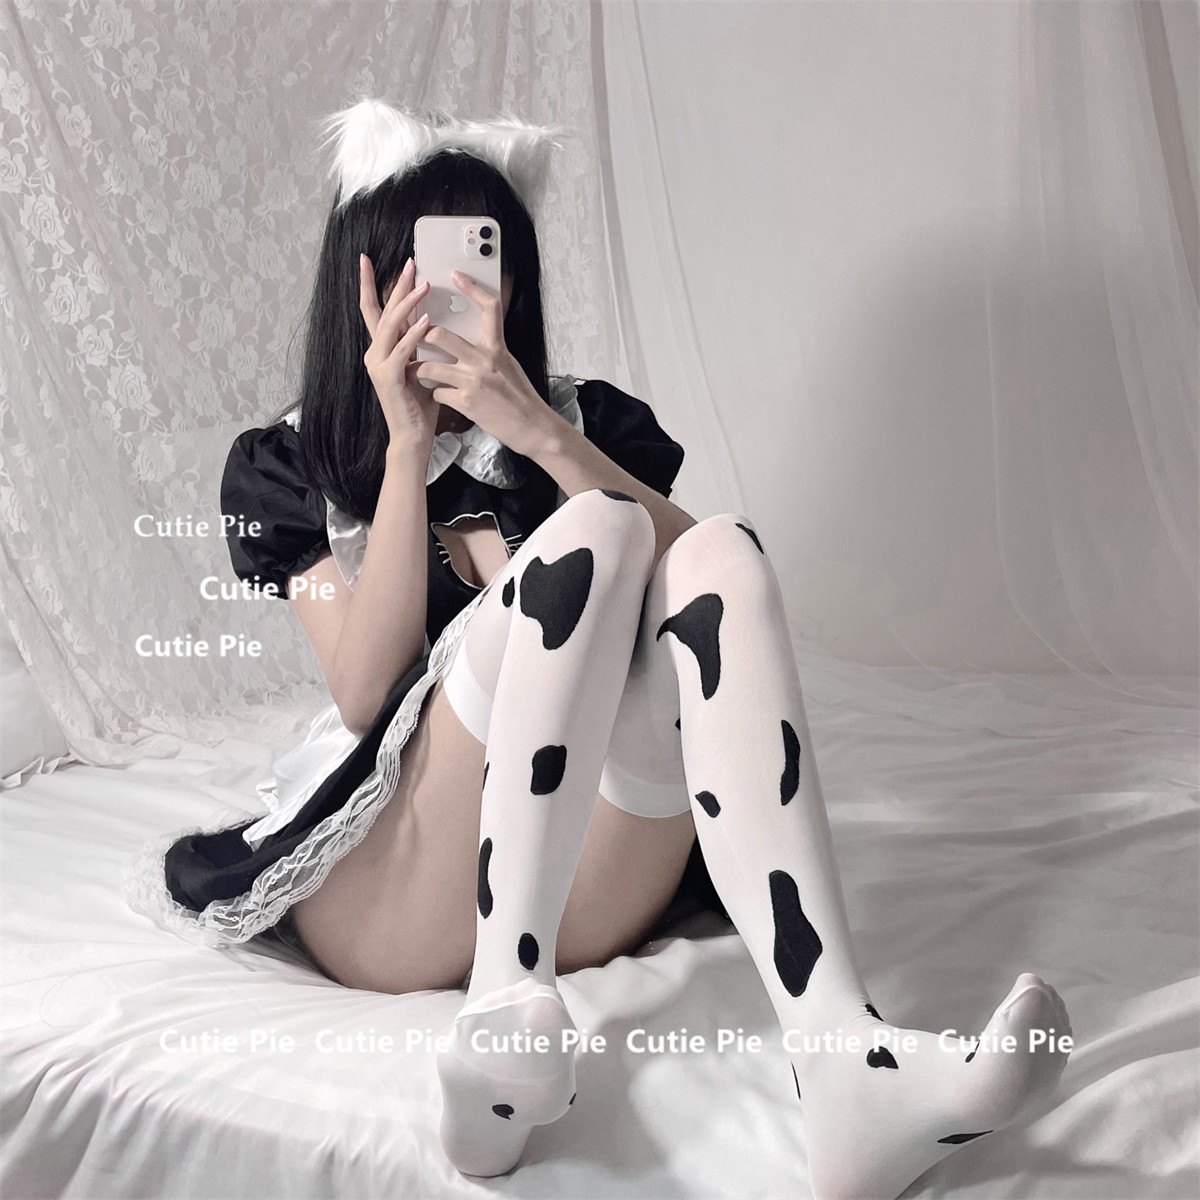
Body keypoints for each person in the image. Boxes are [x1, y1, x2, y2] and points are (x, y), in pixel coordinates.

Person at [123, 102, 1071, 1199]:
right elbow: (368, 690)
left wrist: (536, 431)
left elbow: (721, 592)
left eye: (481, 264)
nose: (450, 298)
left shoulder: (582, 423)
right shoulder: (289, 464)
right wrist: (407, 446)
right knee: (597, 536)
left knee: (705, 547)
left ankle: (844, 1061)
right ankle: (499, 1012)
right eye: (420, 270)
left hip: (589, 871)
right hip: (397, 889)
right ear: (366, 287)